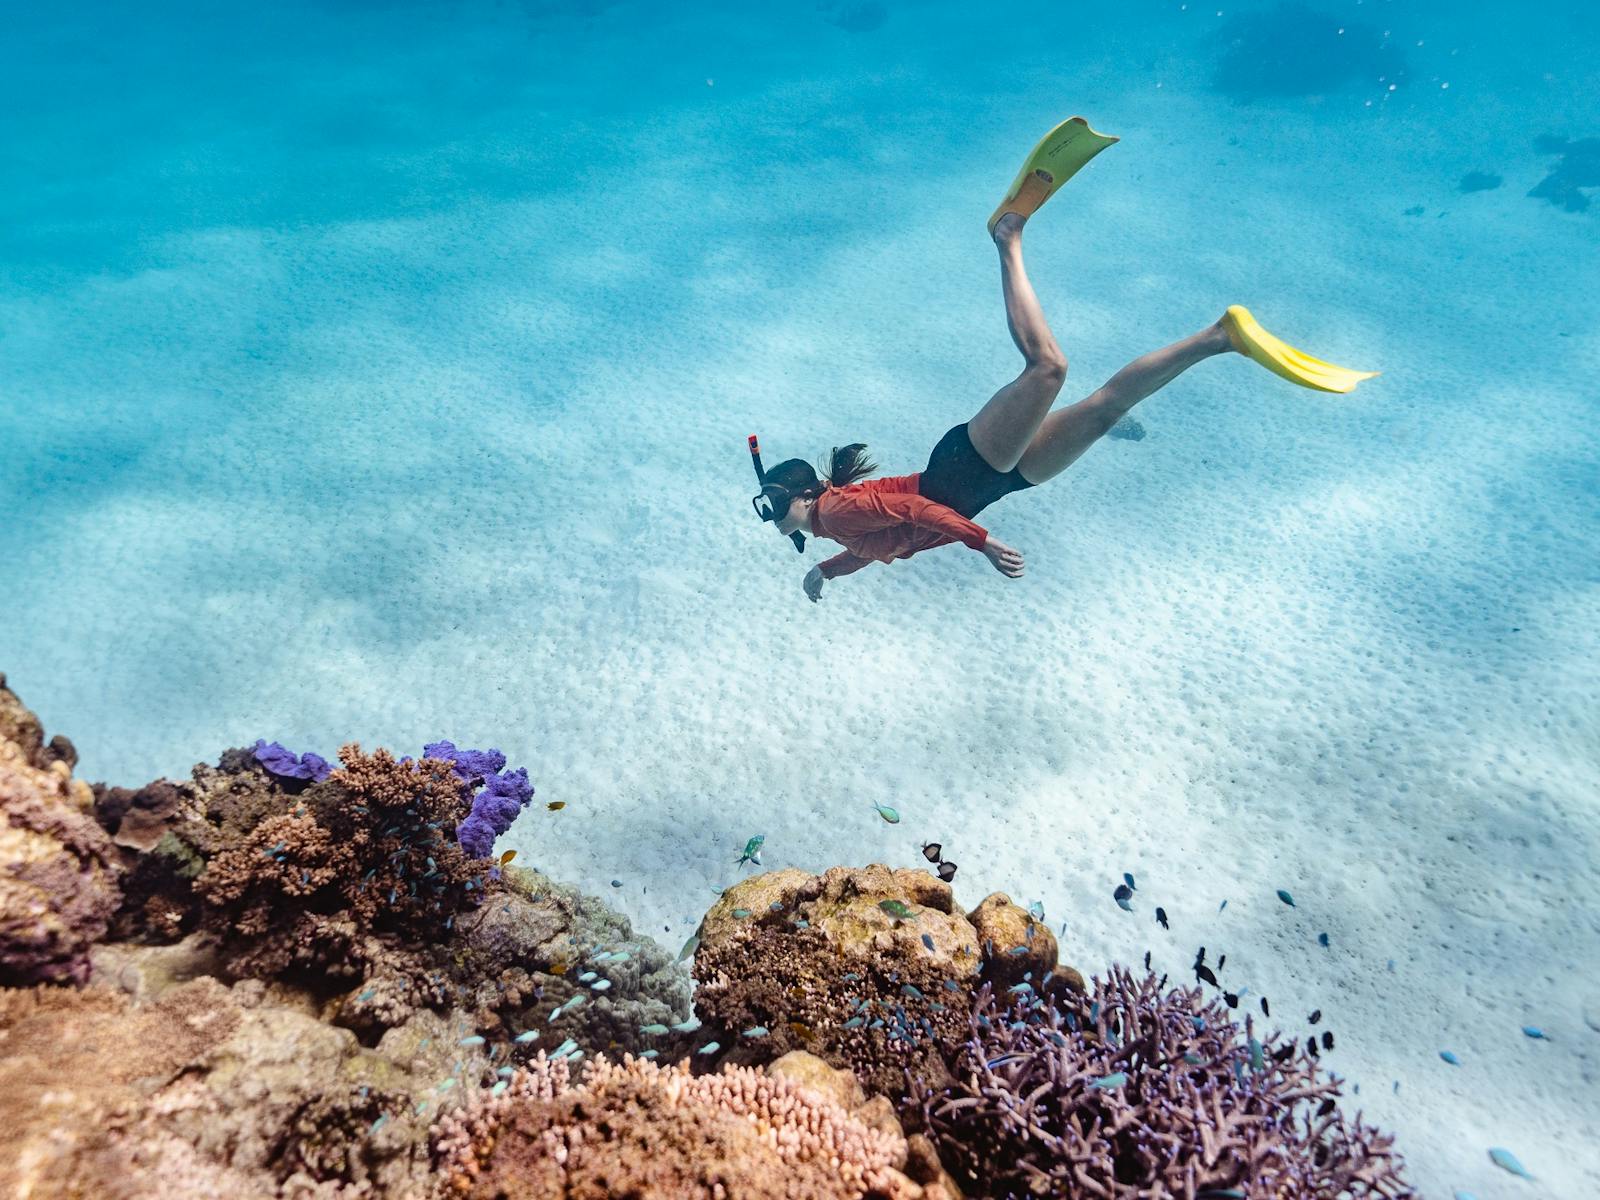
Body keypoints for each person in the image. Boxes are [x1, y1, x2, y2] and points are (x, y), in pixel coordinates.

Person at [751, 117, 1379, 603]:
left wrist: (983, 543)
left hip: (968, 471)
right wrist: (826, 572)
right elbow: (879, 547)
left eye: (772, 504)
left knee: (1047, 368)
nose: (771, 515)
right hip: (990, 484)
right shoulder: (834, 525)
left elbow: (916, 512)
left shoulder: (836, 509)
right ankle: (1221, 337)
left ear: (802, 496)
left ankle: (1007, 236)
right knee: (1105, 410)